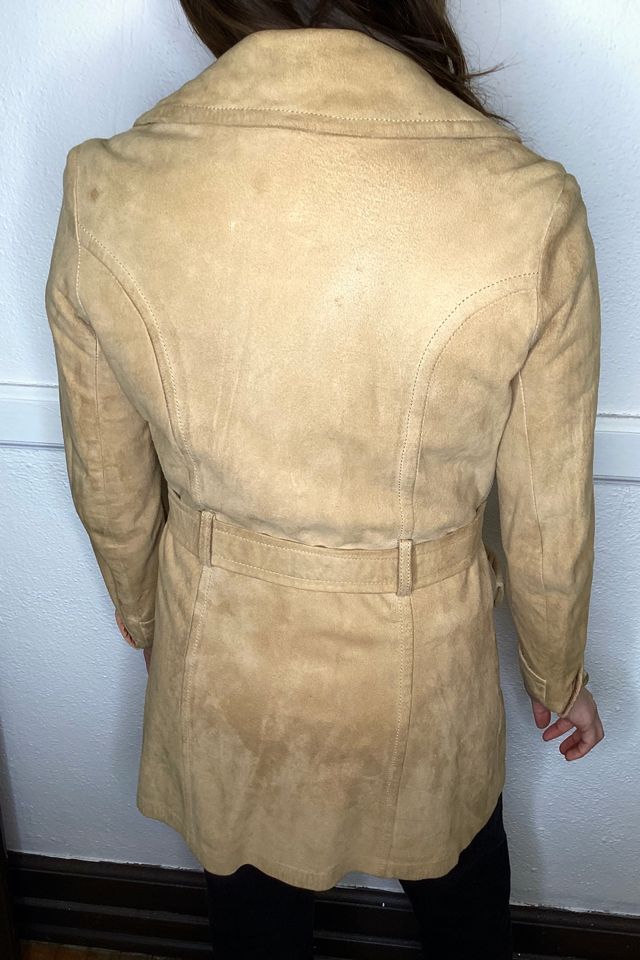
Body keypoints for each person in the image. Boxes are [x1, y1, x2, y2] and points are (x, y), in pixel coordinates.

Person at [45, 1, 605, 957]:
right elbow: (548, 512)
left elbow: (107, 473)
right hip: (424, 666)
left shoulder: (109, 186)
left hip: (226, 654)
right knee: (464, 904)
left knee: (253, 921)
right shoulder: (528, 203)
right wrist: (557, 675)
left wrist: (148, 617)